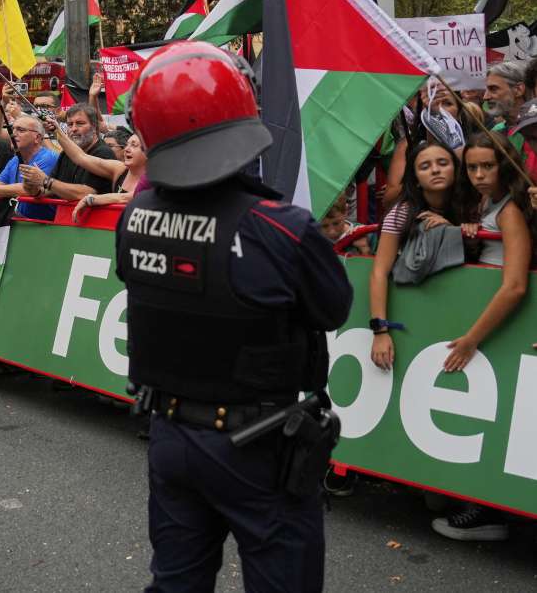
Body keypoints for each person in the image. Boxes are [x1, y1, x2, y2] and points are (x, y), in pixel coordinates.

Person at [115, 41, 352, 591]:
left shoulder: (136, 214)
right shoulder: (280, 227)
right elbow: (333, 307)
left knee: (176, 582)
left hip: (170, 434)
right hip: (257, 446)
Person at [428, 131, 534, 542]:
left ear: (504, 166)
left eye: (486, 166)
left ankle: (489, 513)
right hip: (491, 323)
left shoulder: (510, 210)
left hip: (501, 326)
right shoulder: (488, 204)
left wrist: (472, 338)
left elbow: (515, 286)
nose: (477, 175)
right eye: (471, 167)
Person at [370, 139, 464, 374]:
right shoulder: (401, 213)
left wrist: (456, 230)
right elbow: (379, 272)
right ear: (415, 179)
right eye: (424, 166)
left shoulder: (474, 206)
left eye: (443, 163)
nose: (435, 170)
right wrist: (380, 331)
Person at [23, 103, 114, 201]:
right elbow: (53, 189)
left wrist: (46, 181)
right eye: (70, 124)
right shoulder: (66, 154)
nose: (73, 129)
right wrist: (34, 188)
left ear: (94, 126)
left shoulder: (104, 153)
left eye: (80, 123)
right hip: (64, 215)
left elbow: (85, 194)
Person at [64, 128, 150, 222]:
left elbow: (127, 197)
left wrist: (90, 199)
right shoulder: (119, 169)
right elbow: (81, 157)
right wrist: (56, 130)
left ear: (148, 151)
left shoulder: (155, 178)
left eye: (134, 145)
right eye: (127, 145)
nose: (126, 149)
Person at [483, 61, 528, 131]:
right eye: (486, 90)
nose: (485, 97)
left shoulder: (533, 128)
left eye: (493, 89)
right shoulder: (496, 132)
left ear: (518, 90)